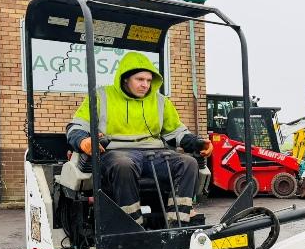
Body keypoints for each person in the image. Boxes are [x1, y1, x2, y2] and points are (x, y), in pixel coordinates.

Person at [66, 51, 212, 225]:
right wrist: (83, 141)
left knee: (189, 163)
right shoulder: (101, 96)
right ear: (125, 78)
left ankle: (178, 223)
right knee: (123, 165)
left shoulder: (160, 101)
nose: (145, 85)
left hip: (155, 154)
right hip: (116, 153)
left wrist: (197, 143)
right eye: (140, 79)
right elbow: (77, 127)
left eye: (149, 80)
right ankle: (132, 224)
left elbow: (176, 132)